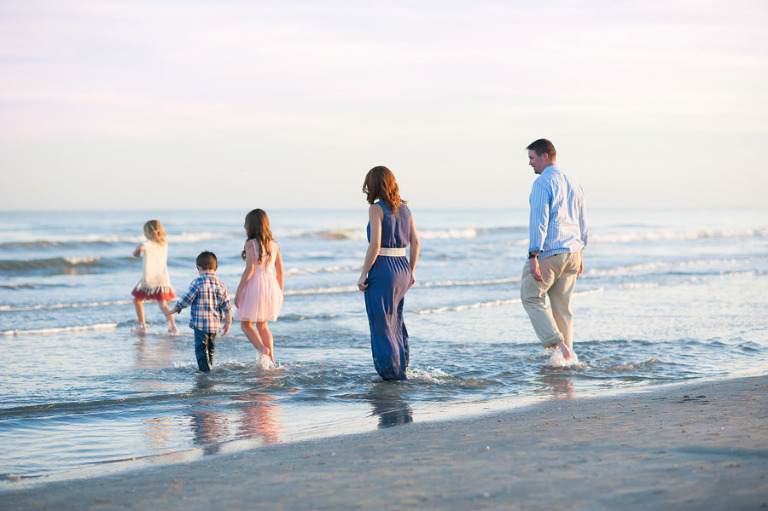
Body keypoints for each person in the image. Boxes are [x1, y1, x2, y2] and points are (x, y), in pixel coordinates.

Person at [521, 139, 588, 361]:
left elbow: (539, 221)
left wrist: (533, 255)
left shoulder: (543, 183)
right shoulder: (573, 181)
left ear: (545, 156)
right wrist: (581, 252)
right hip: (573, 252)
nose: (530, 163)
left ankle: (558, 345)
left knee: (531, 297)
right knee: (562, 307)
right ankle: (565, 359)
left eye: (532, 158)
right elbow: (582, 219)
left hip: (551, 252)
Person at [358, 166, 420, 380]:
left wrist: (363, 274)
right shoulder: (405, 209)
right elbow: (416, 243)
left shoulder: (376, 209)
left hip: (383, 269)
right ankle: (402, 367)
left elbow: (375, 245)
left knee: (382, 323)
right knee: (396, 321)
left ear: (374, 185)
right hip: (402, 268)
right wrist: (410, 271)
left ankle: (391, 374)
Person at [233, 209, 284, 368]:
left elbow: (250, 270)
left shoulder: (251, 244)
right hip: (271, 286)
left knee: (245, 325)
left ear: (250, 226)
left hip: (255, 285)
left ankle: (263, 349)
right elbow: (280, 271)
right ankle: (272, 360)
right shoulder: (274, 244)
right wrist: (279, 292)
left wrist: (239, 290)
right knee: (263, 325)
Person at [166, 251, 232, 372]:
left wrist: (177, 308)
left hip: (200, 325)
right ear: (216, 268)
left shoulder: (197, 282)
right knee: (210, 348)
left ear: (199, 267)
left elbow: (187, 298)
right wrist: (228, 322)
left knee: (200, 348)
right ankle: (209, 365)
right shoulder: (221, 285)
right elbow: (226, 306)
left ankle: (204, 371)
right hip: (214, 325)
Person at [131, 219, 178, 335]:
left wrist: (137, 251)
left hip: (149, 279)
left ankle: (142, 327)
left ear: (148, 232)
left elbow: (136, 252)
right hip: (162, 279)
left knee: (137, 300)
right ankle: (173, 327)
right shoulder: (164, 244)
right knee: (163, 305)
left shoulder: (146, 245)